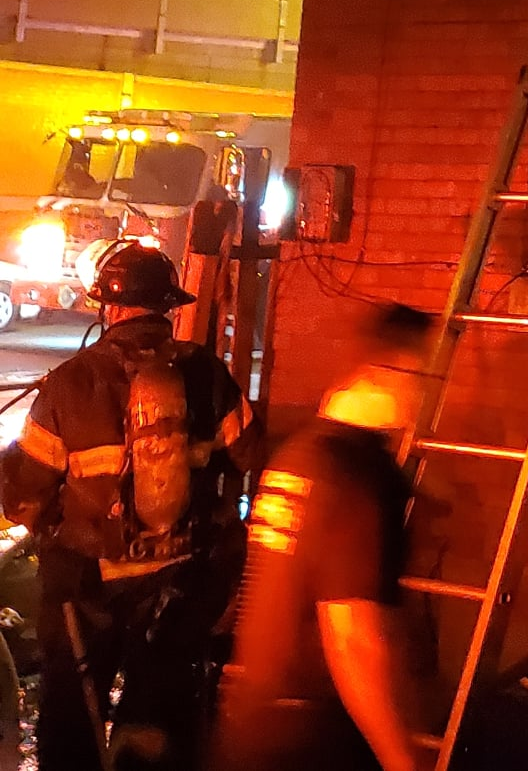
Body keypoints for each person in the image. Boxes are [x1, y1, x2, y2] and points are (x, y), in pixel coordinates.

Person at [0, 242, 253, 771]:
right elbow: (249, 452)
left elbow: (27, 493)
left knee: (73, 702)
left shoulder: (71, 381)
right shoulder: (207, 371)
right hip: (181, 575)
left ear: (109, 308)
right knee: (160, 698)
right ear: (166, 307)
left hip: (88, 582)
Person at [210, 302, 433, 771]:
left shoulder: (302, 452)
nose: (432, 392)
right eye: (427, 372)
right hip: (315, 734)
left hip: (254, 721)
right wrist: (401, 759)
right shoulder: (361, 476)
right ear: (398, 369)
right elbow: (353, 635)